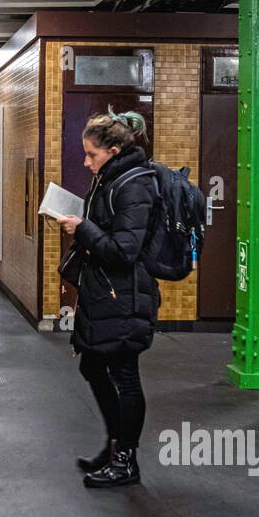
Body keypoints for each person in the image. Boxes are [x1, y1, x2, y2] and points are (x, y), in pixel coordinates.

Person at [58, 111, 159, 489]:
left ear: (114, 150)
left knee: (125, 377)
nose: (86, 162)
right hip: (107, 292)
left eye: (91, 155)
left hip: (126, 295)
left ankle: (125, 460)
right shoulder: (111, 178)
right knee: (92, 367)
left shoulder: (133, 185)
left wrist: (82, 228)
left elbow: (125, 250)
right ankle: (115, 446)